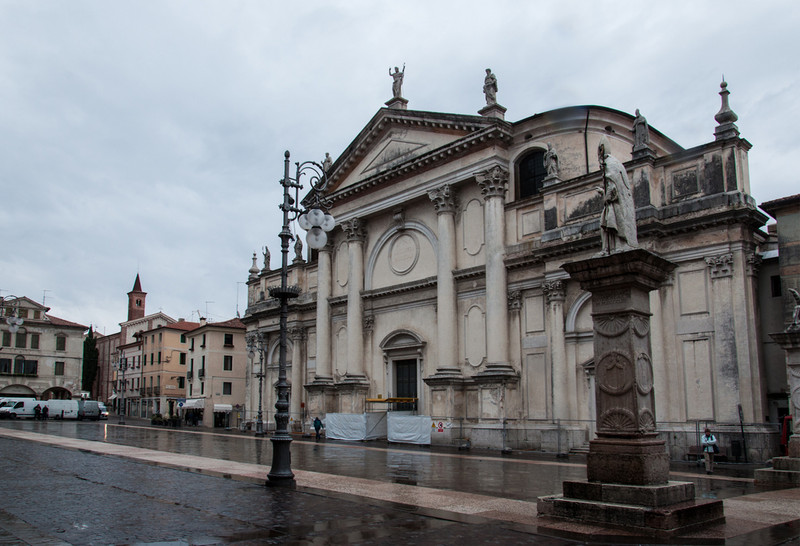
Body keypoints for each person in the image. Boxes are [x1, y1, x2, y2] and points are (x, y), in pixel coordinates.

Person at [595, 137, 638, 254]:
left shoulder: (610, 164)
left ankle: (614, 247)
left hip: (614, 204)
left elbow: (613, 187)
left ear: (602, 149)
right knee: (607, 224)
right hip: (616, 203)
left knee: (612, 224)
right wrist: (604, 192)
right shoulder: (616, 163)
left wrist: (605, 197)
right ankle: (608, 248)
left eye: (599, 150)